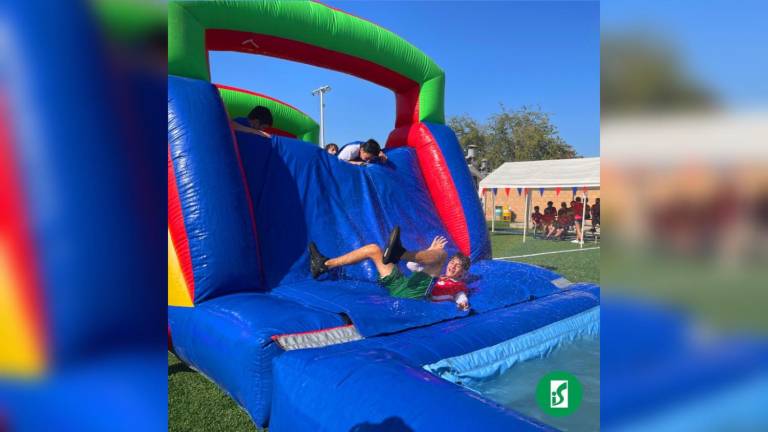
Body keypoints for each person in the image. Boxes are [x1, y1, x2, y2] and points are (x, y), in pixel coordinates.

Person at [308, 227, 472, 310]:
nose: (453, 266)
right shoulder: (435, 273)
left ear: (463, 273)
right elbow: (411, 266)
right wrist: (429, 251)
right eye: (453, 262)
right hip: (402, 285)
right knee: (373, 249)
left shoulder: (457, 286)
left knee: (441, 254)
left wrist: (462, 304)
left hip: (417, 294)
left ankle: (399, 253)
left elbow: (461, 298)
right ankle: (324, 265)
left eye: (458, 266)